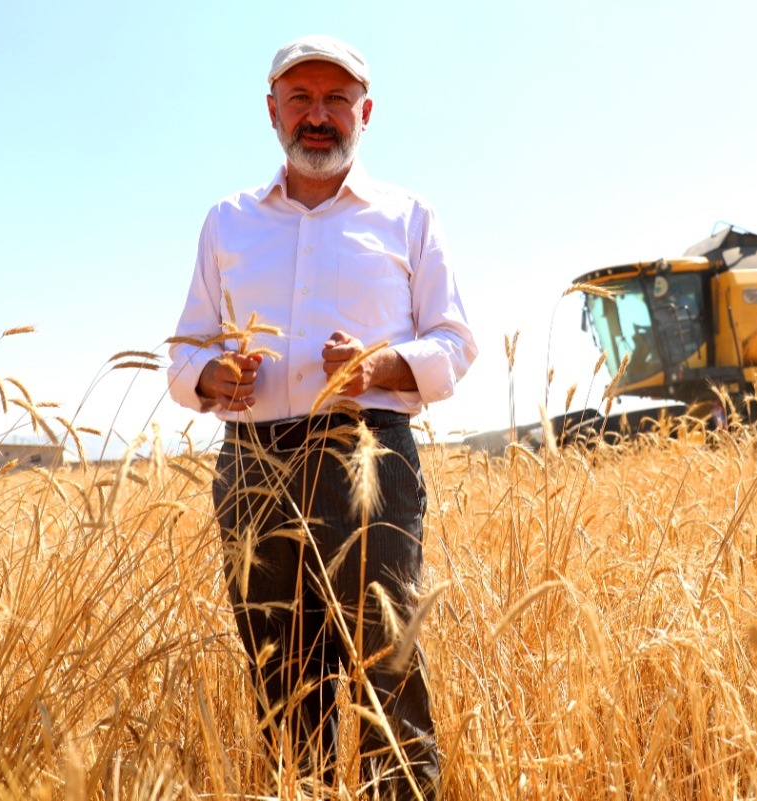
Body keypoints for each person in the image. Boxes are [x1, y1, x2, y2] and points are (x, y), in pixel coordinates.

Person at [166, 33, 475, 798]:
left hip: (369, 454)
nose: (318, 115)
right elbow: (181, 353)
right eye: (300, 98)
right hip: (254, 465)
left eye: (336, 99)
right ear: (272, 110)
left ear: (365, 113)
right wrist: (211, 373)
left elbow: (456, 341)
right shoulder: (227, 222)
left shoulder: (408, 217)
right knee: (284, 683)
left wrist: (377, 366)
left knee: (386, 674)